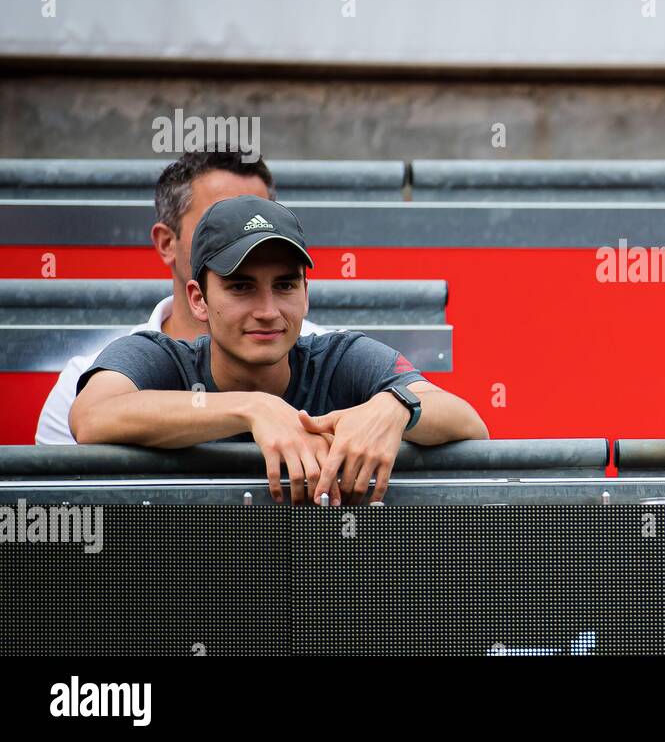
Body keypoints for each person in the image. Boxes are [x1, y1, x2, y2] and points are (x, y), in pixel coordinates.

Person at [68, 195, 489, 505]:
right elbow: (91, 416)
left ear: (306, 294)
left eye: (285, 285)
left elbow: (469, 422)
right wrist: (253, 408)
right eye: (241, 286)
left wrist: (395, 407)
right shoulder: (160, 356)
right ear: (198, 299)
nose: (268, 311)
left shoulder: (341, 356)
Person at [36, 150, 331, 444]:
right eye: (217, 221)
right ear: (166, 243)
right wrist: (252, 407)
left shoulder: (329, 355)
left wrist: (377, 410)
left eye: (259, 220)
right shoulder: (86, 377)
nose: (241, 236)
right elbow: (66, 481)